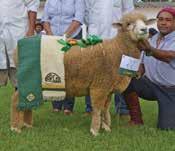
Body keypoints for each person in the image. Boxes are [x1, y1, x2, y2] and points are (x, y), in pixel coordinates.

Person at [123, 7, 175, 129]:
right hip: (152, 85)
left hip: (171, 91)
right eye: (160, 19)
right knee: (125, 77)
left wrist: (149, 50)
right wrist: (134, 72)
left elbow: (168, 56)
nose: (163, 22)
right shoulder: (152, 38)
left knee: (166, 128)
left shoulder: (149, 44)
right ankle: (136, 119)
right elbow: (142, 63)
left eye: (168, 20)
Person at [84, 0, 134, 116]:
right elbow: (86, 14)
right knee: (93, 73)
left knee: (121, 74)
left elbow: (129, 13)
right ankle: (90, 108)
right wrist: (93, 26)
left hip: (117, 36)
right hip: (96, 37)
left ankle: (122, 109)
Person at [42, 0, 85, 115]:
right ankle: (56, 104)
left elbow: (78, 19)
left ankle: (68, 107)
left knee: (70, 71)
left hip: (72, 37)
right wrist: (51, 35)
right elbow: (45, 20)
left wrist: (64, 36)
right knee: (54, 69)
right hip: (53, 38)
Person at [0, 0, 39, 88]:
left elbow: (32, 5)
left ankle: (22, 100)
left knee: (21, 76)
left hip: (18, 33)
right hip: (1, 37)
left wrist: (31, 30)